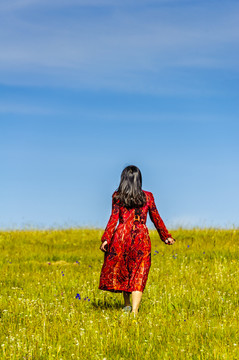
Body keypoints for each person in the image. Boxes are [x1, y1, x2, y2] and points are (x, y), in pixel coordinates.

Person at [99, 165, 175, 316]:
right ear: (139, 179)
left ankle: (127, 305)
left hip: (121, 236)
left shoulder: (117, 196)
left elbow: (113, 218)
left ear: (123, 179)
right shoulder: (147, 196)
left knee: (124, 270)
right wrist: (165, 236)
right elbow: (156, 218)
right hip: (141, 237)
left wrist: (106, 239)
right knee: (139, 272)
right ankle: (134, 312)